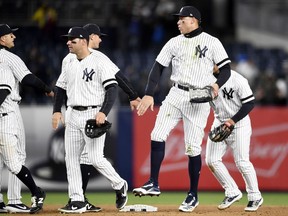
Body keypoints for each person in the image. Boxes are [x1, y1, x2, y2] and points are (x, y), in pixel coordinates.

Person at [132, 6, 231, 212]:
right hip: (176, 93)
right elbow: (157, 67)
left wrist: (216, 84)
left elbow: (226, 70)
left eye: (182, 19)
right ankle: (153, 182)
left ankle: (193, 194)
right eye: (178, 19)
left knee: (192, 147)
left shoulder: (212, 42)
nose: (178, 22)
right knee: (157, 134)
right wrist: (149, 93)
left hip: (199, 96)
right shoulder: (174, 42)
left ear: (194, 20)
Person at [58, 23, 140, 212]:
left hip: (92, 112)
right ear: (90, 37)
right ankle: (77, 199)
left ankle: (118, 184)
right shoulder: (69, 60)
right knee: (73, 159)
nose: (100, 40)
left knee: (93, 158)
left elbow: (115, 80)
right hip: (73, 113)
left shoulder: (99, 59)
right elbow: (61, 86)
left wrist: (132, 95)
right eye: (98, 36)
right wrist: (58, 110)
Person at [0, 24, 54, 213]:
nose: (13, 37)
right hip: (7, 114)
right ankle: (18, 198)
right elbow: (24, 80)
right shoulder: (7, 58)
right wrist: (47, 88)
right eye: (10, 34)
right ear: (1, 39)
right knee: (17, 159)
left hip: (5, 113)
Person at [205, 65, 263, 212]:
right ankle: (232, 191)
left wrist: (232, 121)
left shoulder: (238, 80)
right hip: (219, 122)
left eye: (213, 61)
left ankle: (255, 196)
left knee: (242, 162)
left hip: (239, 124)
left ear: (220, 63)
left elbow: (249, 103)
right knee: (211, 160)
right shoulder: (206, 79)